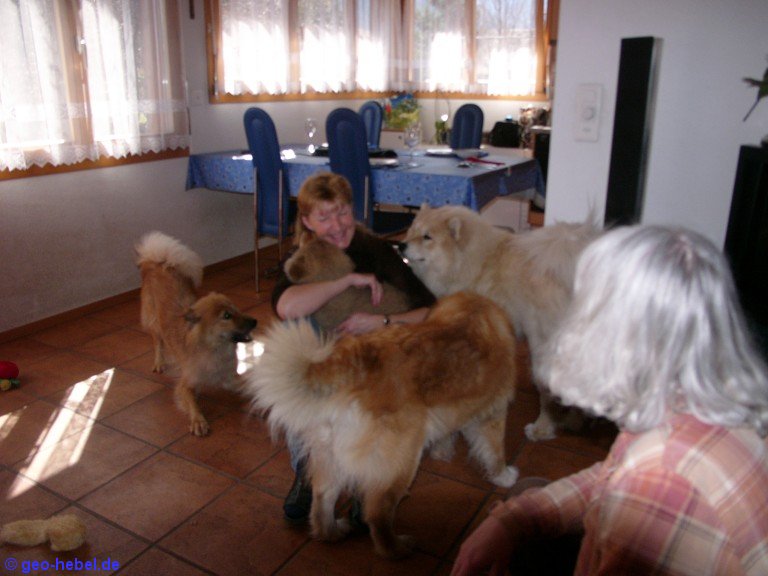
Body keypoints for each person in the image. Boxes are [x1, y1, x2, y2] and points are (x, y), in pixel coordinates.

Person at [451, 225, 768, 576]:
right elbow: (612, 475)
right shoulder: (717, 405)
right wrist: (514, 520)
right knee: (528, 494)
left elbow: (642, 483)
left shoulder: (660, 476)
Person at [271, 171, 436, 523]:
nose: (337, 225)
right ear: (307, 221)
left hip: (381, 348)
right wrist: (346, 280)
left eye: (342, 212)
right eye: (324, 216)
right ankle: (308, 471)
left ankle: (367, 481)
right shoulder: (305, 256)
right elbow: (287, 307)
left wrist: (382, 321)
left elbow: (431, 312)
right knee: (296, 337)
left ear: (353, 209)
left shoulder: (376, 250)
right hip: (333, 352)